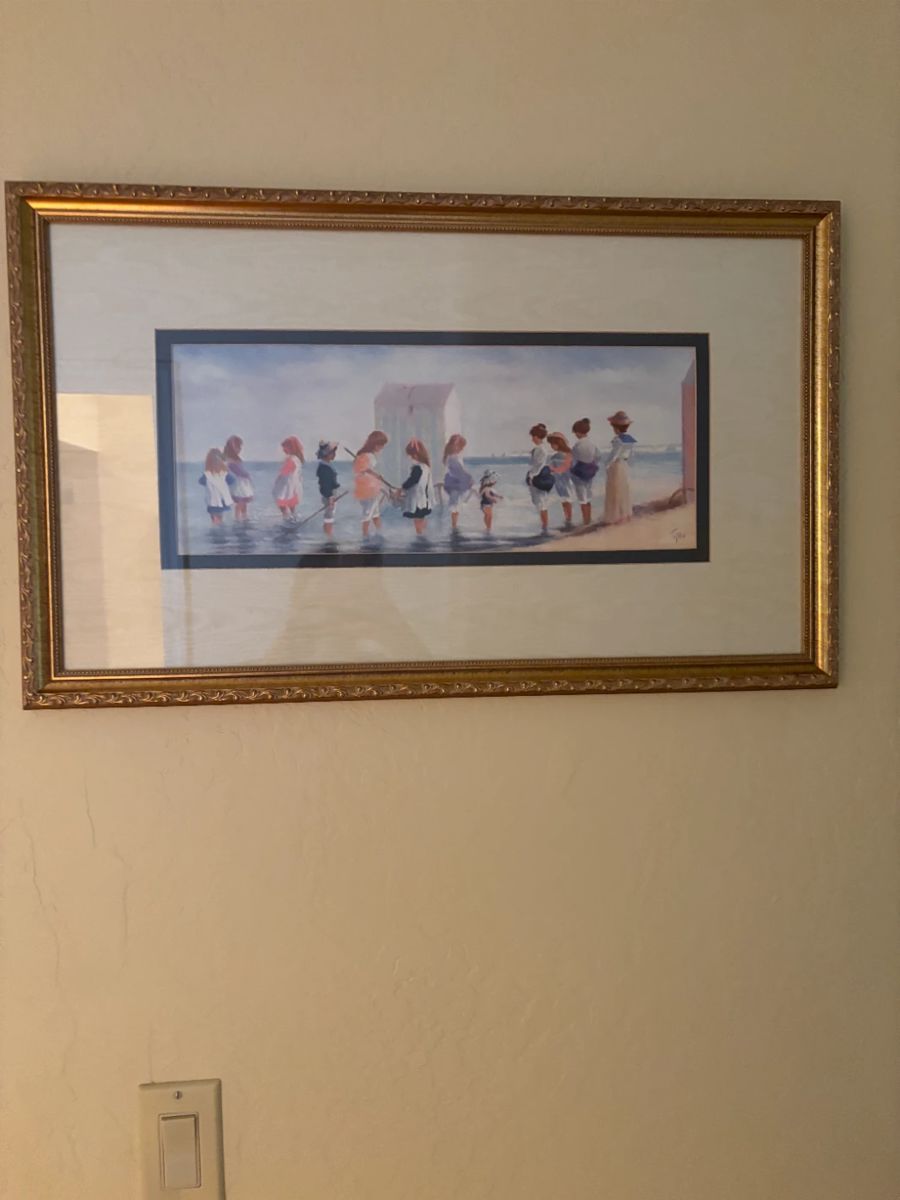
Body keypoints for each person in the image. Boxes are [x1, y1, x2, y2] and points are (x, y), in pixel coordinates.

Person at [353, 430, 389, 538]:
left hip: (367, 488)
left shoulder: (363, 455)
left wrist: (376, 476)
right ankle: (365, 535)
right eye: (381, 445)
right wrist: (376, 475)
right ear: (375, 444)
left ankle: (380, 533)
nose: (382, 447)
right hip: (368, 489)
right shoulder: (367, 456)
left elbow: (362, 470)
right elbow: (363, 470)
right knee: (368, 514)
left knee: (375, 513)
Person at [604, 410, 637, 524]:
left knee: (615, 490)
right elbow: (631, 456)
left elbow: (614, 454)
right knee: (624, 490)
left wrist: (607, 465)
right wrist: (629, 465)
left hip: (617, 466)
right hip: (624, 466)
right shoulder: (630, 440)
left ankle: (616, 517)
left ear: (616, 428)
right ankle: (625, 514)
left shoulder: (618, 440)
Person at [399, 438, 434, 536]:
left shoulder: (417, 468)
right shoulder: (426, 467)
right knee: (422, 517)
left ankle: (419, 535)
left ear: (415, 455)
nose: (410, 457)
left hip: (418, 499)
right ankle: (424, 534)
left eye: (411, 455)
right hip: (425, 499)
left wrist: (403, 487)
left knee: (417, 519)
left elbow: (412, 480)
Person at [570, 417, 600, 525]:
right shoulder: (592, 444)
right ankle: (589, 518)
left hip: (579, 472)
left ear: (578, 432)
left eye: (575, 433)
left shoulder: (577, 445)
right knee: (588, 496)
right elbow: (597, 457)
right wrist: (593, 465)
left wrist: (571, 470)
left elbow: (573, 460)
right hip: (590, 471)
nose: (575, 435)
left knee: (582, 498)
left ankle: (586, 521)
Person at [442, 433, 474, 530]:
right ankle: (454, 526)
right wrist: (469, 478)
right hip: (454, 483)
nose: (461, 449)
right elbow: (459, 471)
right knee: (455, 505)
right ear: (455, 446)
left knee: (455, 505)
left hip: (454, 482)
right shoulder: (453, 458)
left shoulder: (451, 457)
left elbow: (459, 471)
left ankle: (454, 525)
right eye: (460, 447)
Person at [526, 422, 554, 532]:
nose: (532, 439)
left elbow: (538, 465)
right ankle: (544, 526)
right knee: (541, 503)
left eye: (533, 436)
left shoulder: (540, 449)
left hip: (538, 477)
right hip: (539, 475)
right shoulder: (540, 448)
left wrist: (531, 477)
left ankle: (545, 527)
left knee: (541, 503)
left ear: (537, 437)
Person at [197, 448, 235, 525]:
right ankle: (220, 529)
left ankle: (216, 529)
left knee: (214, 519)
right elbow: (232, 481)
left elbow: (200, 481)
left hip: (212, 501)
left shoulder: (207, 474)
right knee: (220, 517)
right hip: (221, 500)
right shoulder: (224, 473)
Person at [272, 436, 304, 520]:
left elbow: (284, 472)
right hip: (293, 485)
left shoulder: (290, 459)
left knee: (282, 503)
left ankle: (286, 519)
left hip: (286, 485)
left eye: (285, 448)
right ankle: (293, 518)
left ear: (291, 447)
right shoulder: (297, 459)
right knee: (291, 504)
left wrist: (279, 476)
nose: (283, 450)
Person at [222, 435, 253, 521]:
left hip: (242, 483)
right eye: (238, 447)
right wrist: (247, 475)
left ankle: (244, 517)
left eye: (240, 447)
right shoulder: (230, 460)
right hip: (238, 484)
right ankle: (238, 519)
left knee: (244, 502)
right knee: (240, 502)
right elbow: (238, 471)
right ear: (232, 448)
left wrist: (246, 475)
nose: (240, 449)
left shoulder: (236, 459)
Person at [547, 431, 575, 525]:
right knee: (566, 500)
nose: (551, 446)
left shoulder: (556, 456)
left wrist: (553, 470)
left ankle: (568, 520)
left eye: (552, 444)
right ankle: (568, 519)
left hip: (562, 480)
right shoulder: (569, 454)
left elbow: (553, 468)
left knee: (565, 500)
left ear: (558, 444)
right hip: (565, 480)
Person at [315, 440, 341, 539]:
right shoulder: (324, 468)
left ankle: (328, 536)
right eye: (333, 452)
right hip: (328, 495)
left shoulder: (326, 465)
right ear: (327, 454)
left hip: (330, 495)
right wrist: (330, 497)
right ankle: (328, 537)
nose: (334, 454)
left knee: (329, 516)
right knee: (329, 517)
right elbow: (325, 485)